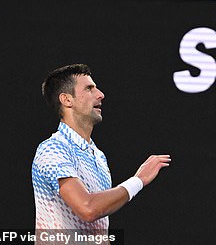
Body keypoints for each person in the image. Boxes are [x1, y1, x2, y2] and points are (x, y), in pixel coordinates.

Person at [32, 64, 171, 230]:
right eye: (89, 89)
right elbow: (88, 208)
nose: (101, 95)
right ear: (67, 99)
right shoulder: (53, 149)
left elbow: (99, 232)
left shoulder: (98, 156)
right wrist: (138, 181)